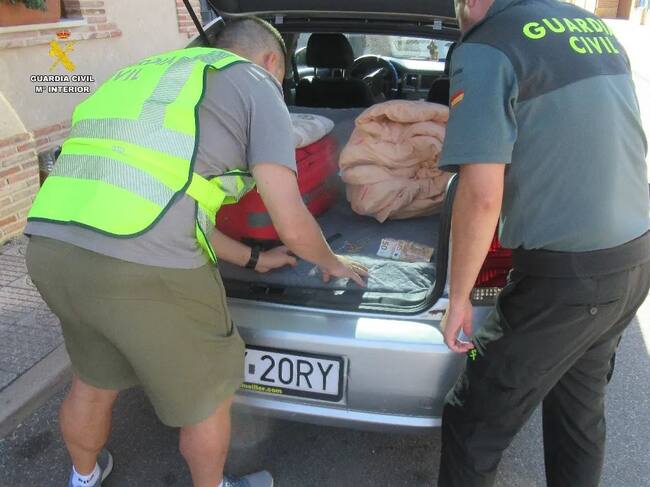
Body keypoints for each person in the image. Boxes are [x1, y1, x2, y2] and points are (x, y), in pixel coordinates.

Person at [24, 17, 367, 487]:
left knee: (93, 379)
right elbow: (290, 221)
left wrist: (254, 259)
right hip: (144, 263)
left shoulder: (141, 74)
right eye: (283, 75)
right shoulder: (255, 82)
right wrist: (333, 263)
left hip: (50, 245)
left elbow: (173, 200)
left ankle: (83, 477)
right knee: (207, 400)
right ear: (271, 61)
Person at [436, 0, 649, 485]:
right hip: (633, 259)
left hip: (564, 283)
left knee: (471, 424)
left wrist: (459, 298)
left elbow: (481, 195)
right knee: (578, 417)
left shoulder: (489, 44)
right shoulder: (587, 24)